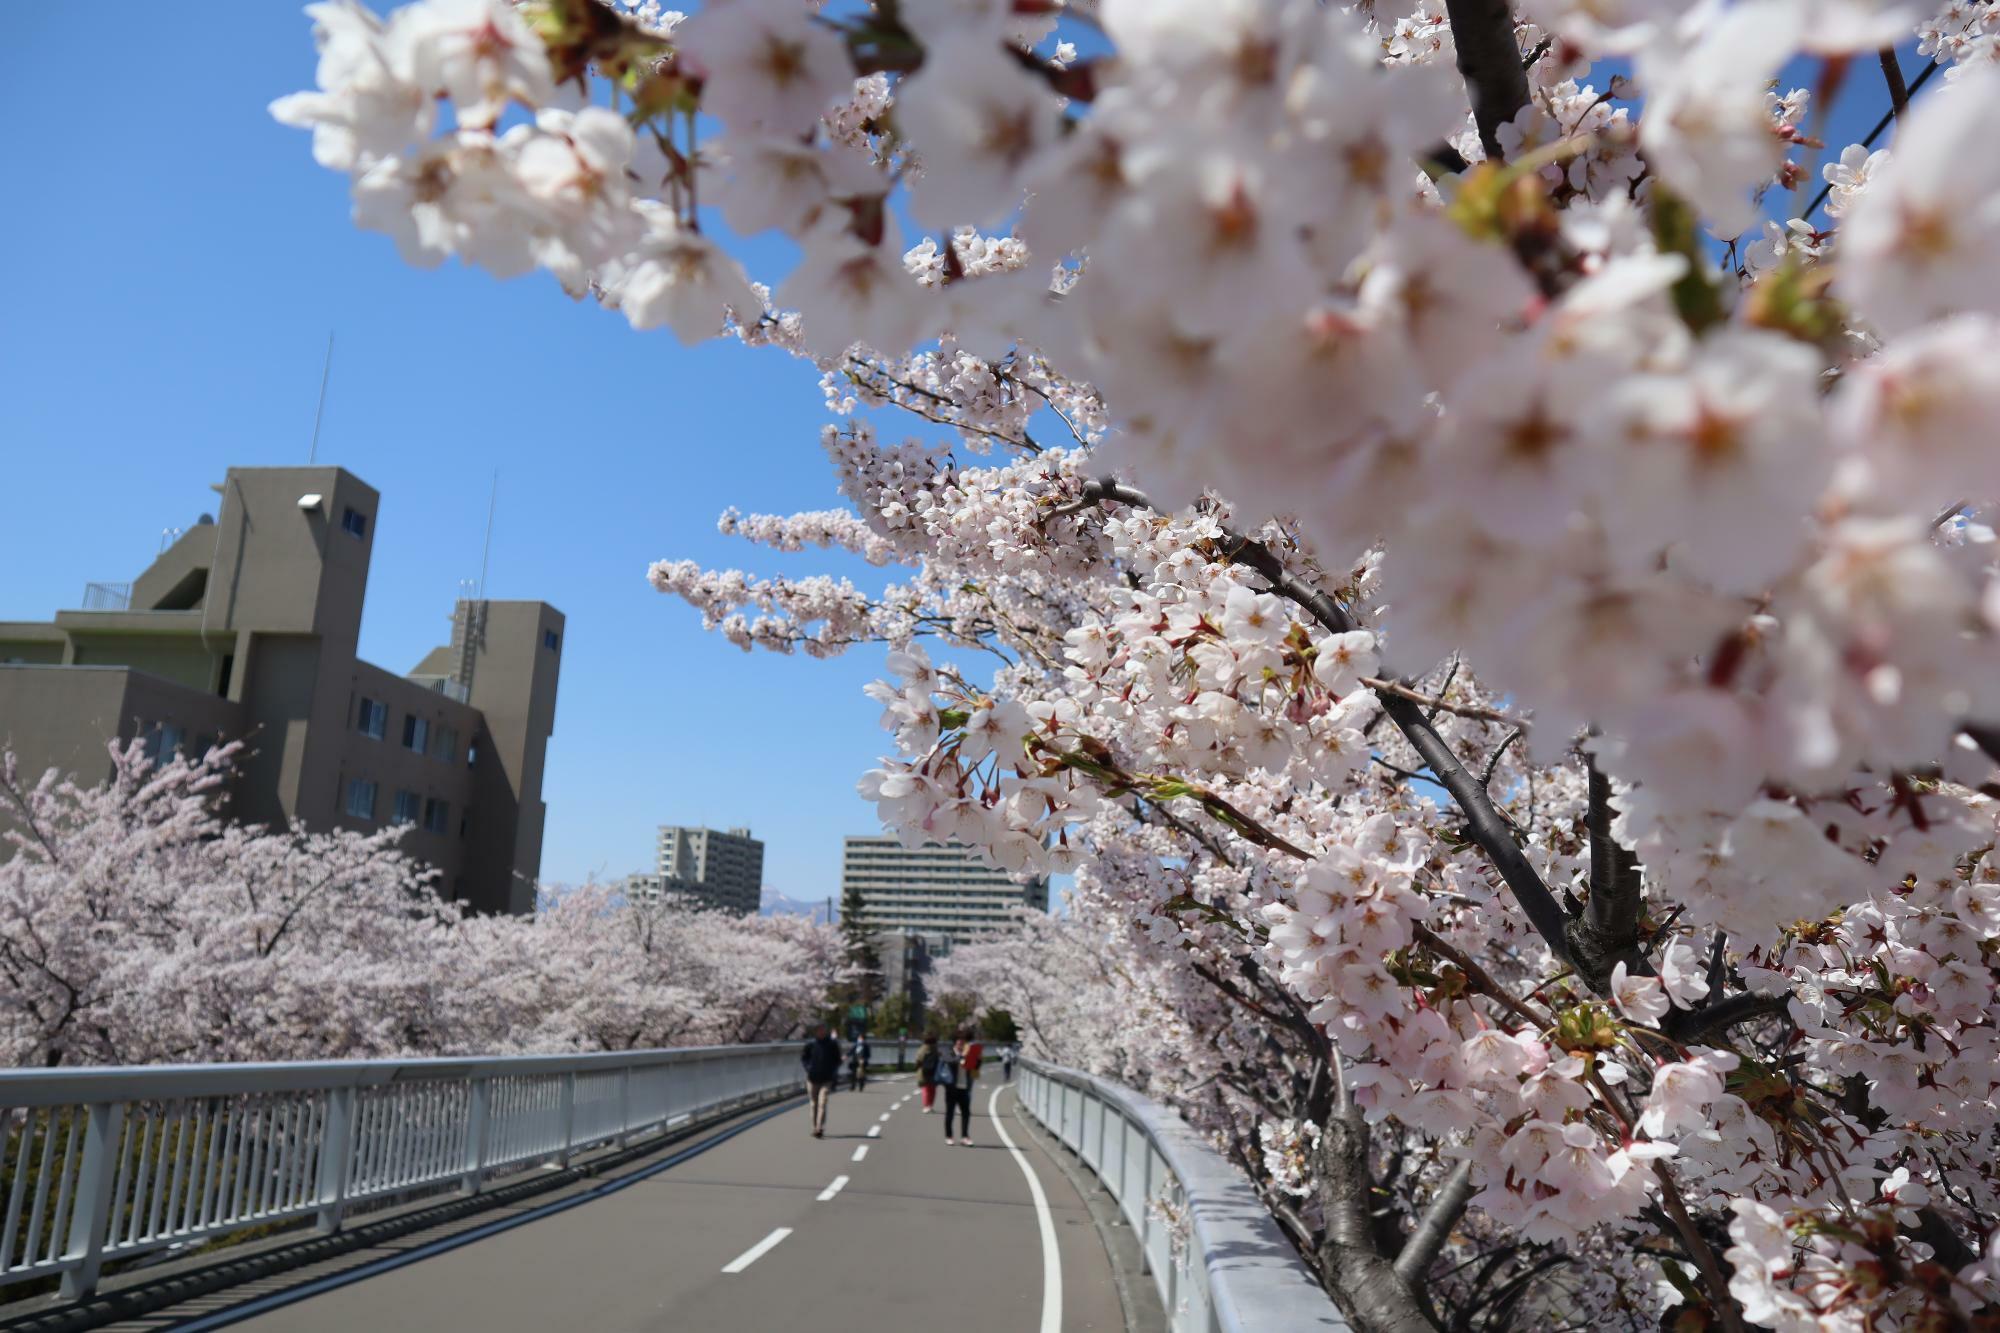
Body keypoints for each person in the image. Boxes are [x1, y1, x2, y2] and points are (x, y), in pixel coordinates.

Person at [941, 1027, 983, 1146]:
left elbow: (974, 1068)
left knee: (966, 1113)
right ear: (955, 1041)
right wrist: (961, 1056)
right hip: (951, 1087)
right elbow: (950, 1061)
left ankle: (965, 1136)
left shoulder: (968, 1053)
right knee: (950, 1112)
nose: (960, 1043)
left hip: (964, 1086)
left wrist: (978, 1060)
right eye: (958, 1040)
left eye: (963, 1041)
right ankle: (949, 1136)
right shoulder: (948, 1052)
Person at [800, 1023, 842, 1138]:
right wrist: (808, 1068)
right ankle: (814, 1127)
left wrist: (833, 1072)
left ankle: (820, 1127)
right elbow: (804, 1058)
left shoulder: (832, 1044)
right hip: (812, 1078)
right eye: (818, 1030)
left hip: (826, 1079)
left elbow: (837, 1060)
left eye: (823, 1029)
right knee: (814, 1104)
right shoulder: (810, 1045)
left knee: (822, 1103)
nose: (821, 1031)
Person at [916, 1034, 940, 1113]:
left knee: (926, 1090)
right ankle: (930, 1105)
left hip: (924, 1072)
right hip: (934, 1072)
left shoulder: (922, 1049)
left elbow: (918, 1060)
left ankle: (926, 1106)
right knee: (933, 1090)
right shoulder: (936, 1050)